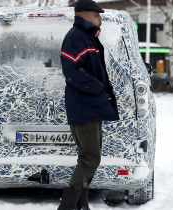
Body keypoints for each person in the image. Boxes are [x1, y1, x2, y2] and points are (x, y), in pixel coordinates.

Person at [58, 0, 119, 209]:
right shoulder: (76, 37)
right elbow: (72, 72)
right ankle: (67, 205)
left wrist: (101, 91)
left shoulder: (87, 38)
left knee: (88, 157)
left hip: (90, 106)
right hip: (84, 107)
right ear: (85, 15)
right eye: (97, 15)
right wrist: (98, 88)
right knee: (91, 157)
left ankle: (81, 205)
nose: (99, 19)